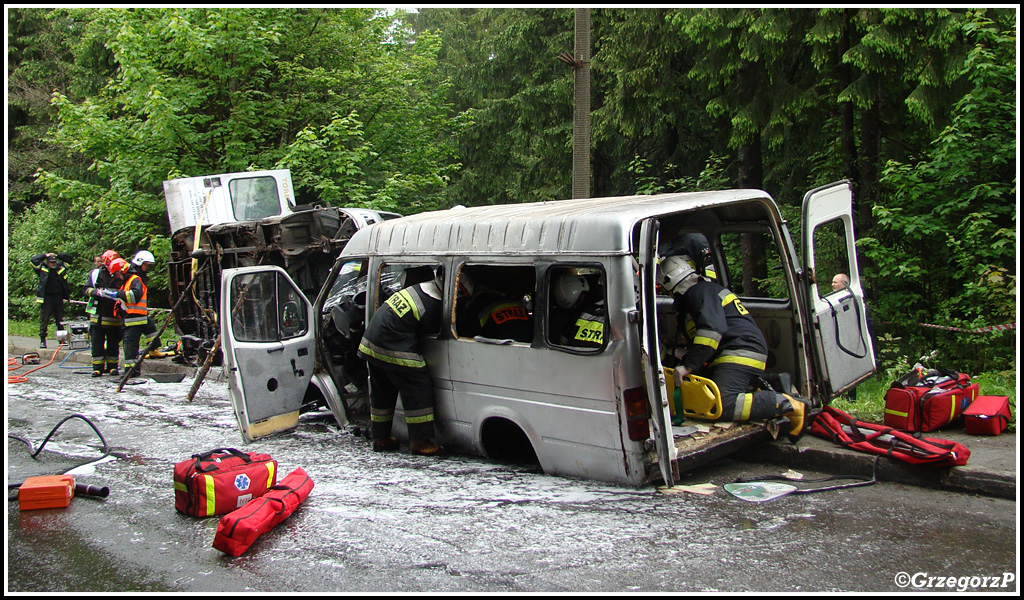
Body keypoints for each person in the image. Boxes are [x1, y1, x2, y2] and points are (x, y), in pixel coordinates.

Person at [657, 254, 812, 442]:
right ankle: (776, 382)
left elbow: (711, 331)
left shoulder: (698, 293)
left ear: (669, 283)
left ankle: (789, 406)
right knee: (710, 392)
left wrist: (688, 365)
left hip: (739, 351)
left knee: (722, 403)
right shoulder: (706, 290)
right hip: (740, 350)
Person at [356, 266, 473, 456]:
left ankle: (381, 438)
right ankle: (421, 441)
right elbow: (440, 333)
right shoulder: (434, 304)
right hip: (392, 342)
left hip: (372, 342)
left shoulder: (423, 288)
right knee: (418, 385)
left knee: (383, 390)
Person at [117, 250, 161, 377]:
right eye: (146, 265)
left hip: (134, 318)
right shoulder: (134, 279)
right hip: (134, 318)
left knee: (130, 347)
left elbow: (133, 297)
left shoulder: (134, 279)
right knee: (131, 346)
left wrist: (117, 294)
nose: (147, 268)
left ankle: (131, 371)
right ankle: (133, 370)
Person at [83, 251, 125, 376]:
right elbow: (86, 289)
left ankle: (112, 366)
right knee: (97, 342)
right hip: (98, 315)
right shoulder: (96, 274)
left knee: (113, 342)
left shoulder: (119, 274)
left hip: (113, 315)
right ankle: (97, 367)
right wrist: (96, 292)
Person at [550, 271, 605, 350]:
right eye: (574, 305)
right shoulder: (574, 315)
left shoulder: (604, 307)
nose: (577, 306)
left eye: (578, 301)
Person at [30, 251, 74, 348]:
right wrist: (45, 255)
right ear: (47, 262)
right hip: (46, 298)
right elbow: (33, 260)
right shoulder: (42, 268)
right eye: (51, 262)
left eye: (54, 262)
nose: (53, 264)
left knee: (60, 320)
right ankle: (42, 340)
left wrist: (58, 255)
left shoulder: (60, 268)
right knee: (44, 320)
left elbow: (69, 259)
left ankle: (62, 340)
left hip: (58, 297)